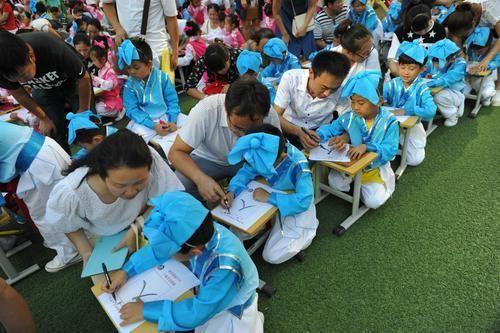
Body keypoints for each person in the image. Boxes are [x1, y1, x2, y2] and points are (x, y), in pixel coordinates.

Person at [102, 191, 263, 332]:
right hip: (210, 291)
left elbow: (198, 313)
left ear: (195, 251)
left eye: (169, 252)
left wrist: (146, 310)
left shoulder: (225, 267)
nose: (164, 254)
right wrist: (126, 271)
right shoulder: (196, 227)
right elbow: (157, 249)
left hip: (231, 308)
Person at [45, 129, 184, 265]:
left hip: (147, 220)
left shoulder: (148, 157)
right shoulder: (71, 192)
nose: (130, 192)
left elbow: (165, 197)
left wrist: (138, 226)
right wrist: (87, 254)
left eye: (139, 182)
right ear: (101, 173)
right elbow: (68, 225)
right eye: (120, 185)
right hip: (105, 238)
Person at [168, 78, 281, 204]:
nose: (243, 135)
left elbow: (275, 155)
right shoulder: (207, 109)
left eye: (252, 130)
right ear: (226, 109)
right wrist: (200, 178)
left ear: (264, 117)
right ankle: (202, 218)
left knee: (270, 183)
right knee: (181, 184)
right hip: (208, 159)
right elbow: (176, 152)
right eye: (237, 127)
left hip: (247, 163)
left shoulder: (270, 115)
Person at [224, 125, 318, 264]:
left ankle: (307, 231)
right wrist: (232, 191)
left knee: (272, 256)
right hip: (268, 196)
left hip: (293, 203)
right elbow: (245, 172)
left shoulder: (299, 165)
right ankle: (269, 226)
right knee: (236, 230)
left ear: (283, 156)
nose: (258, 167)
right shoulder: (260, 151)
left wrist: (269, 197)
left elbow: (303, 200)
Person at [0, 121, 80, 272]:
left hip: (36, 163)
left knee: (45, 213)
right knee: (64, 202)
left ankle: (69, 253)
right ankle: (78, 242)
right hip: (44, 149)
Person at [316, 71, 399, 209]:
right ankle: (356, 185)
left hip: (373, 168)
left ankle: (365, 187)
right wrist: (317, 135)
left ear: (379, 101)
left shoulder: (389, 122)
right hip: (350, 165)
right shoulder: (350, 117)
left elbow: (390, 149)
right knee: (334, 183)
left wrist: (367, 147)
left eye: (361, 103)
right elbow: (331, 128)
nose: (355, 107)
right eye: (353, 102)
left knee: (374, 202)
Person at [0, 31, 92, 151]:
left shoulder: (52, 48)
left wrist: (83, 110)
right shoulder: (2, 69)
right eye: (14, 78)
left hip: (73, 82)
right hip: (43, 89)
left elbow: (83, 78)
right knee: (53, 132)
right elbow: (18, 92)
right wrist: (43, 118)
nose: (20, 80)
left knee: (86, 127)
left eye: (23, 75)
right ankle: (66, 164)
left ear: (31, 56)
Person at [273, 51, 351, 149]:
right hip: (289, 128)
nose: (327, 93)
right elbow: (275, 116)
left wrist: (345, 137)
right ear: (311, 72)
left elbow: (349, 119)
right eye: (324, 87)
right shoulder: (291, 78)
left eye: (334, 89)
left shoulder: (341, 89)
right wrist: (298, 131)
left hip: (322, 134)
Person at [383, 41, 437, 166]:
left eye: (411, 68)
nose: (406, 72)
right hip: (391, 123)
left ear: (422, 69)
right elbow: (385, 103)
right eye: (402, 67)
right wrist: (382, 102)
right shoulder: (392, 84)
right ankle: (394, 143)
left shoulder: (422, 87)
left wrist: (408, 110)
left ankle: (401, 142)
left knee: (415, 160)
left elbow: (431, 111)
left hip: (412, 126)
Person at [120, 38, 180, 142]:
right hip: (144, 121)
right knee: (135, 141)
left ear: (149, 64)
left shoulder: (163, 78)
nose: (132, 71)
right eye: (129, 68)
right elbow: (132, 110)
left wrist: (173, 121)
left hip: (167, 115)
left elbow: (172, 101)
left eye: (136, 67)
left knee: (189, 126)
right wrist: (153, 126)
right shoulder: (129, 86)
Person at [102, 0, 179, 69]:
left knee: (162, 83)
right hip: (129, 53)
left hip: (158, 51)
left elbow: (171, 18)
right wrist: (117, 28)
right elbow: (106, 4)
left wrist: (175, 52)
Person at [329, 23, 380, 115]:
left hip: (359, 107)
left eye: (370, 48)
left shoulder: (372, 53)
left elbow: (371, 86)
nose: (369, 54)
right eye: (364, 53)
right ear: (348, 52)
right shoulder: (332, 56)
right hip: (331, 107)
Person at [387, 3, 446, 76]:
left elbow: (441, 60)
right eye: (417, 30)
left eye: (426, 28)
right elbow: (392, 61)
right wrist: (406, 77)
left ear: (430, 18)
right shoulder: (401, 32)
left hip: (431, 77)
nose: (422, 33)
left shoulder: (440, 30)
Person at [423, 38, 466, 127]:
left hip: (454, 93)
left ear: (452, 58)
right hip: (437, 90)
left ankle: (452, 114)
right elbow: (423, 71)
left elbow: (447, 80)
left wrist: (428, 83)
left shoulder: (460, 64)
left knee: (440, 96)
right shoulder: (433, 60)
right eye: (435, 59)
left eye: (439, 60)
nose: (436, 63)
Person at [465, 27, 500, 106]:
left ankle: (487, 96)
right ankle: (475, 92)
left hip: (487, 77)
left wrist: (487, 66)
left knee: (486, 94)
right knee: (462, 92)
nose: (476, 52)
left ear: (490, 44)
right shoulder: (473, 45)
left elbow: (497, 61)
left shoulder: (494, 47)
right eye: (474, 50)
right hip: (471, 77)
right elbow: (468, 60)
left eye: (480, 51)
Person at [90, 36, 123, 118]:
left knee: (94, 109)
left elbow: (109, 85)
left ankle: (118, 111)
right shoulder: (101, 70)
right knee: (91, 106)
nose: (93, 63)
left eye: (94, 60)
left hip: (112, 102)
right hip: (105, 99)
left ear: (103, 59)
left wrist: (95, 78)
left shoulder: (109, 71)